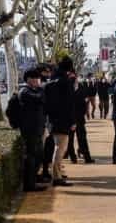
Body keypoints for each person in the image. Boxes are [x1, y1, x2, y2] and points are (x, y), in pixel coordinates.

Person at [44, 57, 76, 187]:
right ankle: (56, 177)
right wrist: (72, 121)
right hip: (63, 120)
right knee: (60, 148)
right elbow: (69, 104)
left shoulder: (51, 82)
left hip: (52, 120)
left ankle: (56, 174)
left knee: (57, 147)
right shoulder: (65, 82)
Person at [19, 69, 47, 192]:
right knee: (31, 157)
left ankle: (34, 179)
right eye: (35, 78)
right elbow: (39, 99)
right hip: (30, 130)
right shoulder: (25, 92)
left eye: (38, 78)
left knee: (38, 156)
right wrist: (42, 90)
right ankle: (29, 184)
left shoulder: (35, 91)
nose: (37, 81)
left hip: (37, 129)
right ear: (28, 79)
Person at [67, 74, 95, 164]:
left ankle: (87, 157)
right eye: (74, 81)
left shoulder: (81, 88)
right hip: (70, 119)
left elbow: (85, 101)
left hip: (79, 118)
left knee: (82, 138)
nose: (76, 82)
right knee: (70, 139)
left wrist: (85, 112)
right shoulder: (67, 90)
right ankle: (73, 157)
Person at [36, 63, 55, 183]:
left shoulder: (45, 84)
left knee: (48, 147)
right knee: (44, 148)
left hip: (47, 120)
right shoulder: (41, 86)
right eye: (47, 72)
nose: (49, 74)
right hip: (43, 122)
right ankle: (43, 172)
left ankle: (46, 171)